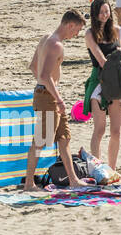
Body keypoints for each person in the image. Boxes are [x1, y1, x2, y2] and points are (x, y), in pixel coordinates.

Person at [23, 10, 86, 192]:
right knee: (40, 141)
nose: (76, 34)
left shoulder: (45, 39)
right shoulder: (56, 44)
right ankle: (29, 183)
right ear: (70, 25)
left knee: (64, 138)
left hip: (48, 93)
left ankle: (73, 180)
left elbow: (34, 66)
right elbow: (43, 74)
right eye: (77, 30)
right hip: (49, 97)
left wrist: (48, 88)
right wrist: (56, 97)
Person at [83, 0, 121, 174]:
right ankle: (98, 168)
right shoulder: (90, 33)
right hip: (99, 81)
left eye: (107, 11)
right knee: (100, 129)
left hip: (117, 80)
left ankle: (112, 168)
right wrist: (117, 56)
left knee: (116, 130)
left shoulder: (117, 30)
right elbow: (101, 60)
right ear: (95, 14)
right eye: (101, 12)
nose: (104, 14)